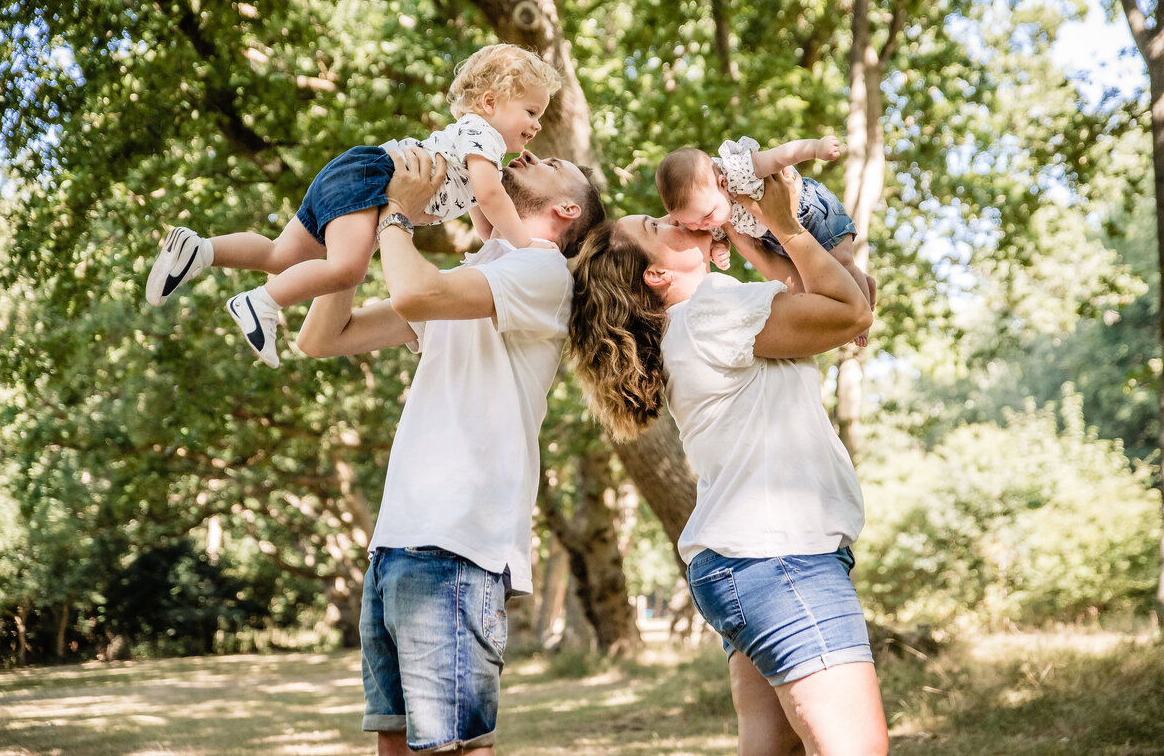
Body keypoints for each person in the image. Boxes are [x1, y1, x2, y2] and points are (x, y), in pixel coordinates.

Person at [568, 169, 886, 755]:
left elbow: (822, 298)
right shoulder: (713, 312)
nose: (675, 217)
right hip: (782, 558)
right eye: (657, 225)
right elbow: (850, 314)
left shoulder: (697, 325)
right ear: (658, 274)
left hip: (747, 563)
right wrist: (783, 224)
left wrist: (751, 241)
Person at [298, 146, 604, 755]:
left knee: (454, 748)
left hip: (458, 546)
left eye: (552, 162)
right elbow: (322, 337)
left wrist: (395, 216)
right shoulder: (475, 276)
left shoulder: (541, 272)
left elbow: (415, 295)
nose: (530, 151)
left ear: (566, 208)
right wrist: (350, 242)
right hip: (397, 543)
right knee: (395, 744)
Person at [145, 44, 561, 367]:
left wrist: (500, 239)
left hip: (357, 169)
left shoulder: (476, 149)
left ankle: (200, 249)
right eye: (530, 111)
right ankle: (261, 303)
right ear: (490, 104)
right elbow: (491, 197)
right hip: (374, 179)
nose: (537, 124)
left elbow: (483, 218)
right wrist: (525, 244)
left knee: (280, 254)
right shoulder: (484, 139)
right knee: (347, 269)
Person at [656, 134, 875, 345]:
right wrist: (719, 250)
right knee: (818, 283)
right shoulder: (709, 213)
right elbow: (720, 239)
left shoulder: (738, 171)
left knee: (843, 263)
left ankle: (862, 321)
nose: (701, 226)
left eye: (706, 217)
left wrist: (816, 148)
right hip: (777, 239)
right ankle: (859, 283)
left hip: (811, 212)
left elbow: (780, 156)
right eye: (692, 224)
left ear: (722, 183)